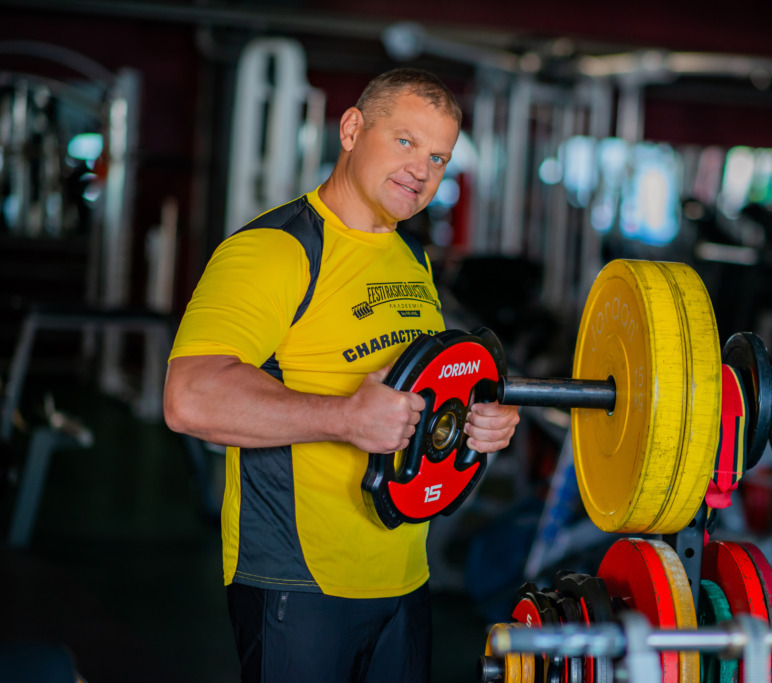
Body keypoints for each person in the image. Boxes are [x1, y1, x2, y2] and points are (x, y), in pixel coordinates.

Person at [163, 68, 520, 683]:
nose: (423, 169)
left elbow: (420, 396)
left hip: (406, 577)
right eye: (405, 141)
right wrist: (343, 417)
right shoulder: (275, 250)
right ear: (352, 128)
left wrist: (474, 423)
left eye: (439, 156)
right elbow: (189, 398)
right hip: (297, 584)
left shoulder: (412, 257)